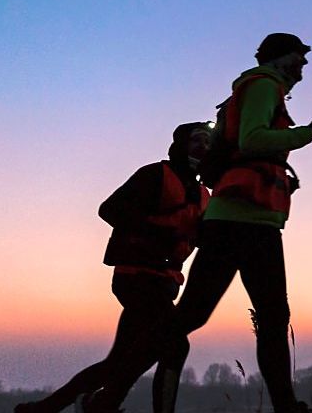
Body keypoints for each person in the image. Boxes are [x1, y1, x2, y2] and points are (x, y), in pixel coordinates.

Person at [84, 33, 312, 413]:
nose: (303, 67)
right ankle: (107, 398)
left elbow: (244, 150)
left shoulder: (256, 90)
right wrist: (311, 133)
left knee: (207, 316)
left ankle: (107, 399)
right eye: (299, 58)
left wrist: (280, 179)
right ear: (281, 58)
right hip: (243, 222)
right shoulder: (263, 85)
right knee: (264, 317)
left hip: (242, 219)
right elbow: (252, 141)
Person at [14, 122, 211, 413]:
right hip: (136, 276)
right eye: (198, 140)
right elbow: (110, 209)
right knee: (175, 345)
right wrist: (158, 233)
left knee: (119, 362)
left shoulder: (205, 195)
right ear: (181, 144)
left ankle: (46, 408)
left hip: (165, 282)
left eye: (209, 143)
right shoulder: (155, 174)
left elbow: (206, 238)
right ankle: (105, 404)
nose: (203, 147)